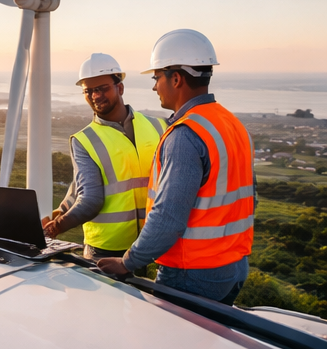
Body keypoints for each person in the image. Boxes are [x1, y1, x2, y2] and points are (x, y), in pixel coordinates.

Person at [96, 30, 254, 304]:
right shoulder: (232, 123)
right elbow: (249, 200)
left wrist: (127, 262)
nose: (154, 86)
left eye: (156, 78)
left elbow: (168, 217)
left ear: (177, 78)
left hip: (193, 273)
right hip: (234, 267)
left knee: (173, 346)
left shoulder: (185, 135)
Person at [42, 53, 166, 260]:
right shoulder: (84, 140)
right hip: (106, 247)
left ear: (120, 87)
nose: (95, 96)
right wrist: (55, 220)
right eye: (88, 91)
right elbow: (82, 191)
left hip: (149, 244)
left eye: (102, 88)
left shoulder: (159, 126)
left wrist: (55, 226)